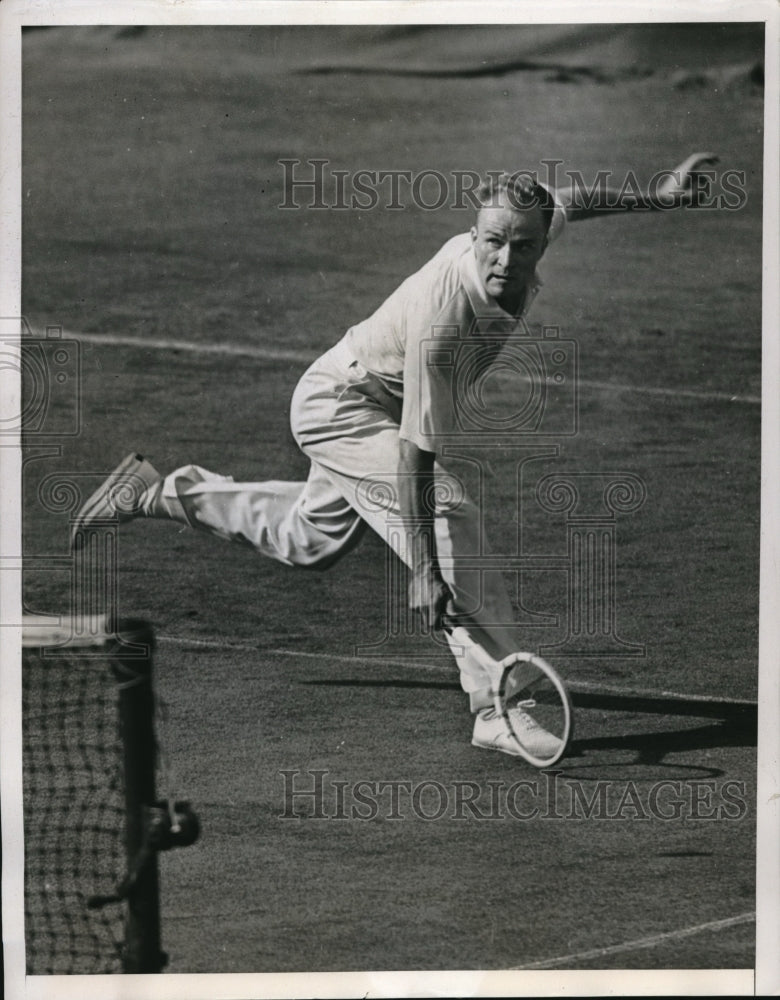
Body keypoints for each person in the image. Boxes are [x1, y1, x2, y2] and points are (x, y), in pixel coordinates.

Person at [72, 153, 717, 759]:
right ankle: (497, 707)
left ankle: (154, 492)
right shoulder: (446, 320)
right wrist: (425, 572)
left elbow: (572, 199)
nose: (505, 256)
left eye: (522, 245)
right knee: (449, 513)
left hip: (367, 401)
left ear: (540, 238)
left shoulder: (527, 223)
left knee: (307, 539)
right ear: (474, 234)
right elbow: (416, 455)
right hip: (341, 405)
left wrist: (660, 198)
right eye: (492, 241)